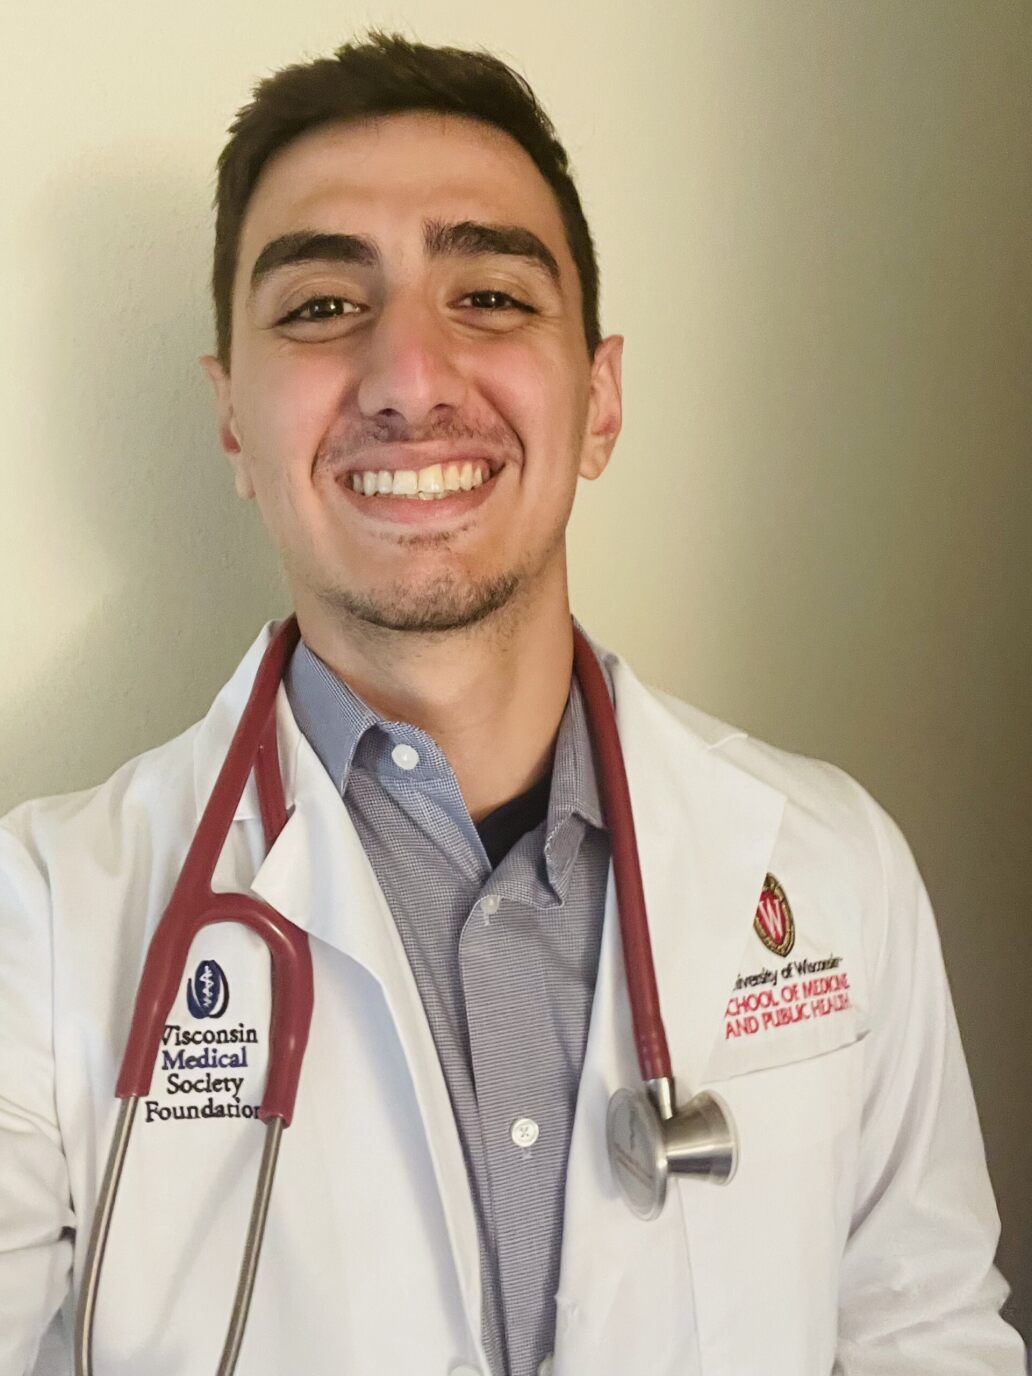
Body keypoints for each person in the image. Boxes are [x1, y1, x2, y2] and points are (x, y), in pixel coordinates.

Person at [0, 29, 1024, 1376]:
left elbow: (927, 1332)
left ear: (600, 400)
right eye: (321, 307)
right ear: (233, 418)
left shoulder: (836, 868)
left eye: (488, 295)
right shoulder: (37, 926)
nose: (410, 378)